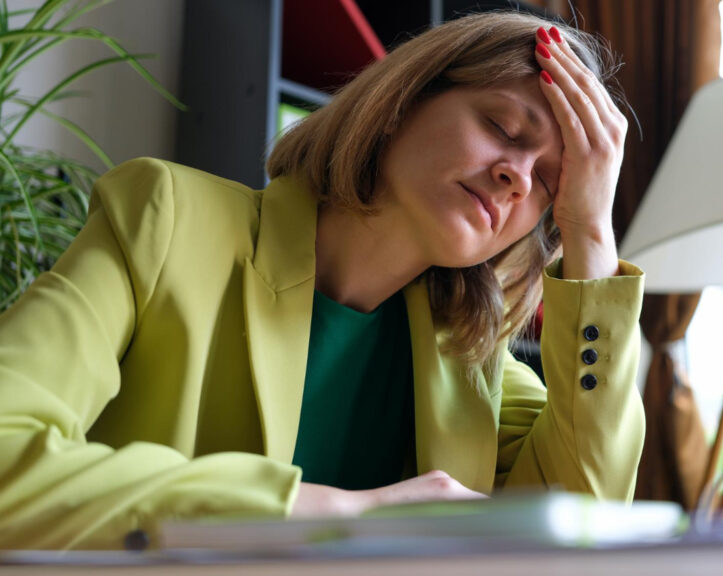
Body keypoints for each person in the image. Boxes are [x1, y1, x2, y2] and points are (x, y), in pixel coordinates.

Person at [0, 12, 645, 550]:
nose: (518, 178)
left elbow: (575, 532)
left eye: (551, 187)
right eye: (503, 127)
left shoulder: (477, 366)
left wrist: (590, 232)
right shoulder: (162, 222)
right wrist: (334, 513)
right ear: (402, 102)